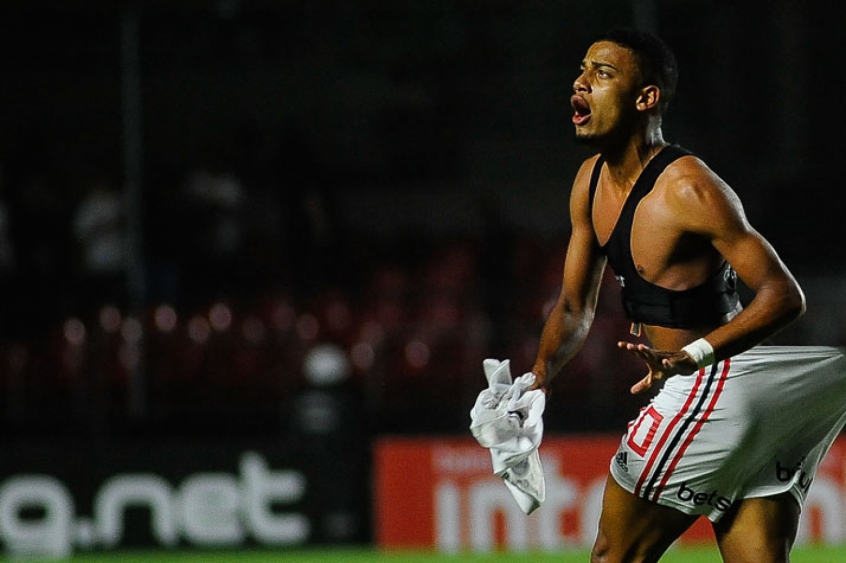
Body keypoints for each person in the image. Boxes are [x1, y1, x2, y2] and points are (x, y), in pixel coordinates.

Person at [527, 28, 846, 562]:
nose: (581, 83)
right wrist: (539, 380)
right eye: (582, 70)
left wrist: (692, 355)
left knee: (613, 555)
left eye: (602, 74)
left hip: (709, 387)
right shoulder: (589, 181)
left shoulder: (688, 189)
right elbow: (573, 308)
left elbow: (784, 296)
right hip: (731, 399)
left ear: (645, 98)